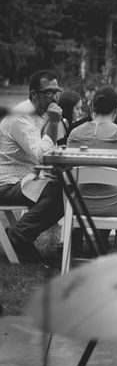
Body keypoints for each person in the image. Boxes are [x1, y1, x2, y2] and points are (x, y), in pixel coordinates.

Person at [0, 70, 64, 262]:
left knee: (65, 188)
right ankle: (18, 235)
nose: (54, 97)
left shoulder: (41, 112)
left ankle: (20, 234)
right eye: (48, 92)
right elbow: (42, 156)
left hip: (26, 180)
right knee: (61, 191)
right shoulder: (20, 118)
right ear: (33, 95)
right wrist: (54, 123)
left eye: (57, 91)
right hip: (7, 184)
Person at [67, 86, 117, 249]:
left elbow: (67, 169)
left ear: (92, 107)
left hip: (78, 204)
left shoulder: (75, 134)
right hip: (114, 206)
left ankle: (80, 245)